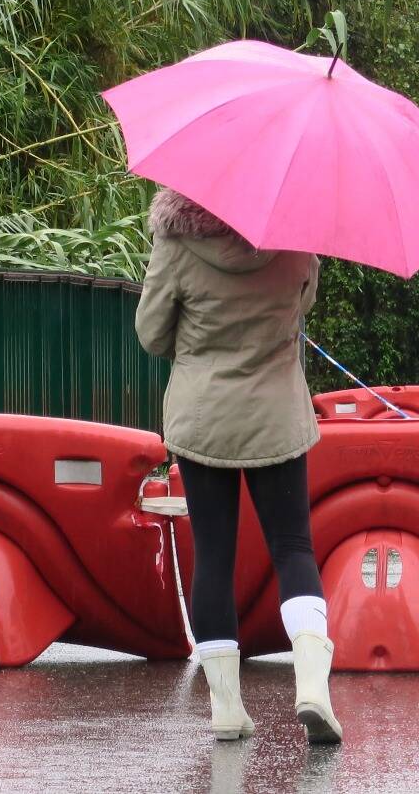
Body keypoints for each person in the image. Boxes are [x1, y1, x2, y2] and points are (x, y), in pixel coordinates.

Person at [135, 187, 340, 744]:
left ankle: (226, 708)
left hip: (203, 418)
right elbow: (302, 308)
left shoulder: (176, 241)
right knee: (294, 549)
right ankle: (313, 688)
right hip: (276, 414)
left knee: (215, 555)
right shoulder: (297, 240)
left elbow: (151, 334)